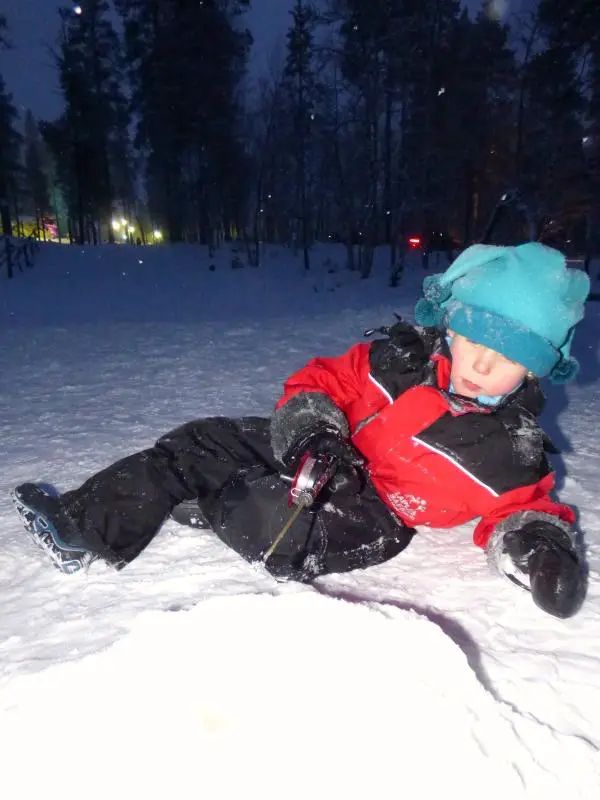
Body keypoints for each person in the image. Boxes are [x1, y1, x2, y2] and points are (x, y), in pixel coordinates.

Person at [12, 242, 590, 618]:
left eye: (508, 357)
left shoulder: (508, 452)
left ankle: (216, 503)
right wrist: (313, 431)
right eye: (475, 340)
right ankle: (80, 529)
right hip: (325, 451)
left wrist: (538, 548)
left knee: (272, 521)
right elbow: (320, 382)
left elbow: (521, 508)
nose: (483, 365)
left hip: (374, 512)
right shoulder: (397, 363)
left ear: (534, 367)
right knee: (200, 440)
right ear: (452, 326)